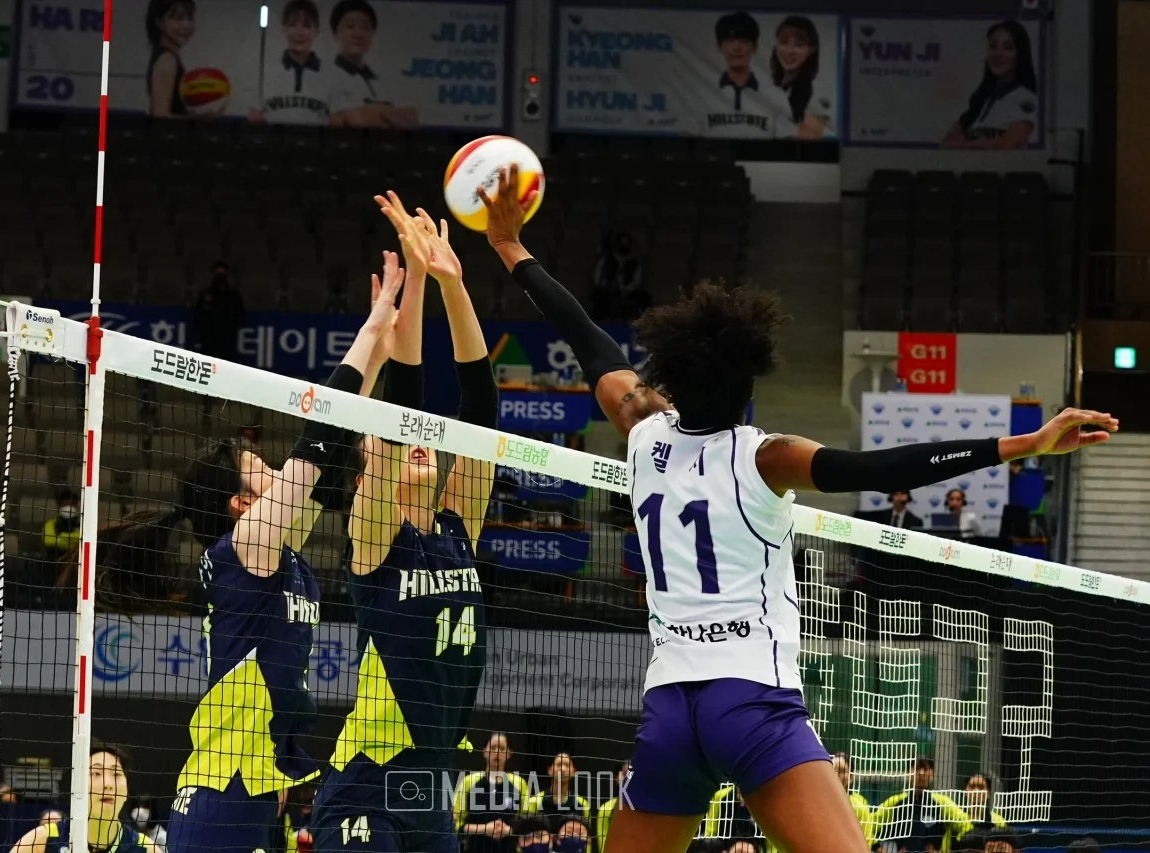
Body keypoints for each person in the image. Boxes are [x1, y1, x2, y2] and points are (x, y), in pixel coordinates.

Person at [475, 162, 1119, 853]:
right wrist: (1025, 442)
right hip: (751, 705)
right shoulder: (766, 456)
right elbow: (886, 466)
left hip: (669, 712)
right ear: (748, 386)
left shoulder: (641, 429)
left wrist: (510, 246)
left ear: (673, 377)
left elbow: (585, 335)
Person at [152, 267, 400, 853]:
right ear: (241, 504)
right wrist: (369, 329)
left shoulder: (278, 551)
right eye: (260, 468)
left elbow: (334, 444)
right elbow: (316, 442)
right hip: (221, 792)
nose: (274, 470)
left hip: (260, 788)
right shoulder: (246, 546)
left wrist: (385, 344)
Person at [310, 193, 497, 852]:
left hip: (429, 787)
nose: (418, 440)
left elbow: (481, 408)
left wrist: (452, 283)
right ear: (370, 469)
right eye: (398, 441)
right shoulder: (373, 541)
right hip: (366, 783)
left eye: (426, 438)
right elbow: (401, 406)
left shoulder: (457, 529)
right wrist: (413, 282)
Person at [11, 744, 152, 853]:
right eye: (96, 773)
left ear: (126, 790)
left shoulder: (146, 848)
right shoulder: (40, 842)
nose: (108, 784)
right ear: (77, 786)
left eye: (116, 774)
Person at [941, 21, 1038, 150]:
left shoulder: (1025, 98)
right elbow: (946, 143)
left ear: (1020, 55)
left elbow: (1008, 145)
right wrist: (980, 144)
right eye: (993, 46)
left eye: (1008, 48)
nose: (998, 54)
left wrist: (966, 145)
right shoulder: (982, 99)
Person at [327, 0, 419, 128]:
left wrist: (376, 111)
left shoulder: (384, 79)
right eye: (350, 26)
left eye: (365, 28)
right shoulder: (324, 78)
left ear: (373, 33)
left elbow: (412, 119)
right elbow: (330, 121)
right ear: (335, 33)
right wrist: (388, 113)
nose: (358, 34)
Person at [869, 759, 973, 853]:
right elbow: (868, 826)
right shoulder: (895, 802)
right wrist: (879, 849)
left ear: (932, 774)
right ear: (909, 773)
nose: (921, 773)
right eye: (917, 768)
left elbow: (967, 826)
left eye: (925, 769)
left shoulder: (943, 803)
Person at [254, 0, 331, 125]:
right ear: (284, 28)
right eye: (293, 25)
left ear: (316, 31)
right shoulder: (266, 72)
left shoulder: (331, 74)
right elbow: (254, 116)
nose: (299, 32)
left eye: (306, 26)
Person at [704, 12, 780, 139]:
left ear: (755, 47)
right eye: (730, 41)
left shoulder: (772, 94)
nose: (736, 48)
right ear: (719, 46)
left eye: (743, 41)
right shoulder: (704, 91)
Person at [454, 732, 530, 852]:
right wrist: (485, 829)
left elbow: (527, 823)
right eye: (493, 747)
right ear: (484, 751)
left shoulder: (519, 783)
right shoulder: (468, 782)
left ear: (509, 753)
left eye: (502, 748)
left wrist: (509, 830)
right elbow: (456, 823)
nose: (497, 752)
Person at [770, 16, 834, 140]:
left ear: (811, 49)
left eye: (799, 45)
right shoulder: (768, 85)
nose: (789, 51)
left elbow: (806, 142)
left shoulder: (818, 94)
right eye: (783, 42)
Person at [145, 0, 198, 118]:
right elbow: (160, 116)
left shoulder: (168, 57)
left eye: (190, 18)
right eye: (178, 19)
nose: (186, 25)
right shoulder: (167, 60)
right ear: (159, 22)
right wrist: (197, 121)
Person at [525, 753, 591, 834]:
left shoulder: (583, 804)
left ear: (574, 771)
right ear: (550, 770)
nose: (563, 769)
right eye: (559, 765)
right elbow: (526, 834)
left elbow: (586, 836)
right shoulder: (534, 801)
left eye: (567, 765)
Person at [193, 261, 246, 361]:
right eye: (218, 273)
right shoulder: (205, 294)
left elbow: (240, 312)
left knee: (227, 361)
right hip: (208, 335)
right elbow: (198, 312)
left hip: (227, 336)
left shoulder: (233, 295)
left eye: (223, 273)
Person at [592, 232, 647, 322]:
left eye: (626, 243)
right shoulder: (606, 260)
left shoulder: (635, 263)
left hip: (628, 293)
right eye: (621, 243)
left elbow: (636, 282)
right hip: (608, 291)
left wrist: (624, 289)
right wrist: (607, 286)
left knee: (643, 297)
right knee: (599, 295)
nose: (623, 245)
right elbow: (597, 277)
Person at [831, 753, 874, 845]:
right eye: (831, 769)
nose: (835, 774)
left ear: (851, 777)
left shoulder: (859, 807)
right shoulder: (817, 802)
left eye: (841, 771)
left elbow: (866, 842)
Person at [594, 761, 630, 851]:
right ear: (616, 778)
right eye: (625, 774)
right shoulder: (606, 808)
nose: (628, 778)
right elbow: (603, 843)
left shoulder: (648, 808)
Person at [42, 487, 82, 560]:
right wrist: (75, 542)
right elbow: (48, 541)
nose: (69, 508)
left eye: (71, 505)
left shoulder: (83, 525)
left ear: (77, 505)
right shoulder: (50, 524)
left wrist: (61, 536)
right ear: (59, 506)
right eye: (65, 505)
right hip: (55, 561)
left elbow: (84, 540)